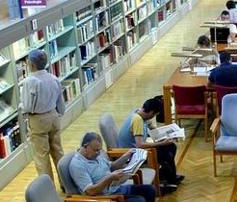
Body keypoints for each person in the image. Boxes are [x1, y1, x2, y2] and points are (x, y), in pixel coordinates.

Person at [117, 98, 183, 192]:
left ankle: (169, 176)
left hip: (136, 149)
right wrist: (162, 142)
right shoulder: (137, 120)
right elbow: (140, 145)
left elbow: (150, 129)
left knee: (171, 146)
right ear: (151, 112)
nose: (153, 117)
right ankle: (167, 179)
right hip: (134, 154)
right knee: (166, 154)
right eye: (154, 115)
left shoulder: (138, 113)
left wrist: (162, 135)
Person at [69, 132, 156, 202]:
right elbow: (90, 191)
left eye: (99, 149)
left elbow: (111, 167)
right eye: (96, 150)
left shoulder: (96, 155)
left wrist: (126, 156)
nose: (98, 153)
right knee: (139, 200)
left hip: (116, 189)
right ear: (85, 146)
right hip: (106, 197)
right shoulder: (77, 165)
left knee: (150, 190)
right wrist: (110, 178)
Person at [20, 50, 65, 183]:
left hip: (38, 120)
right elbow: (60, 102)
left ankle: (48, 187)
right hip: (53, 116)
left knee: (41, 156)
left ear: (31, 64)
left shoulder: (30, 81)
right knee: (58, 151)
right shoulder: (53, 78)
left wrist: (20, 107)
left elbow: (27, 106)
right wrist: (59, 113)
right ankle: (65, 182)